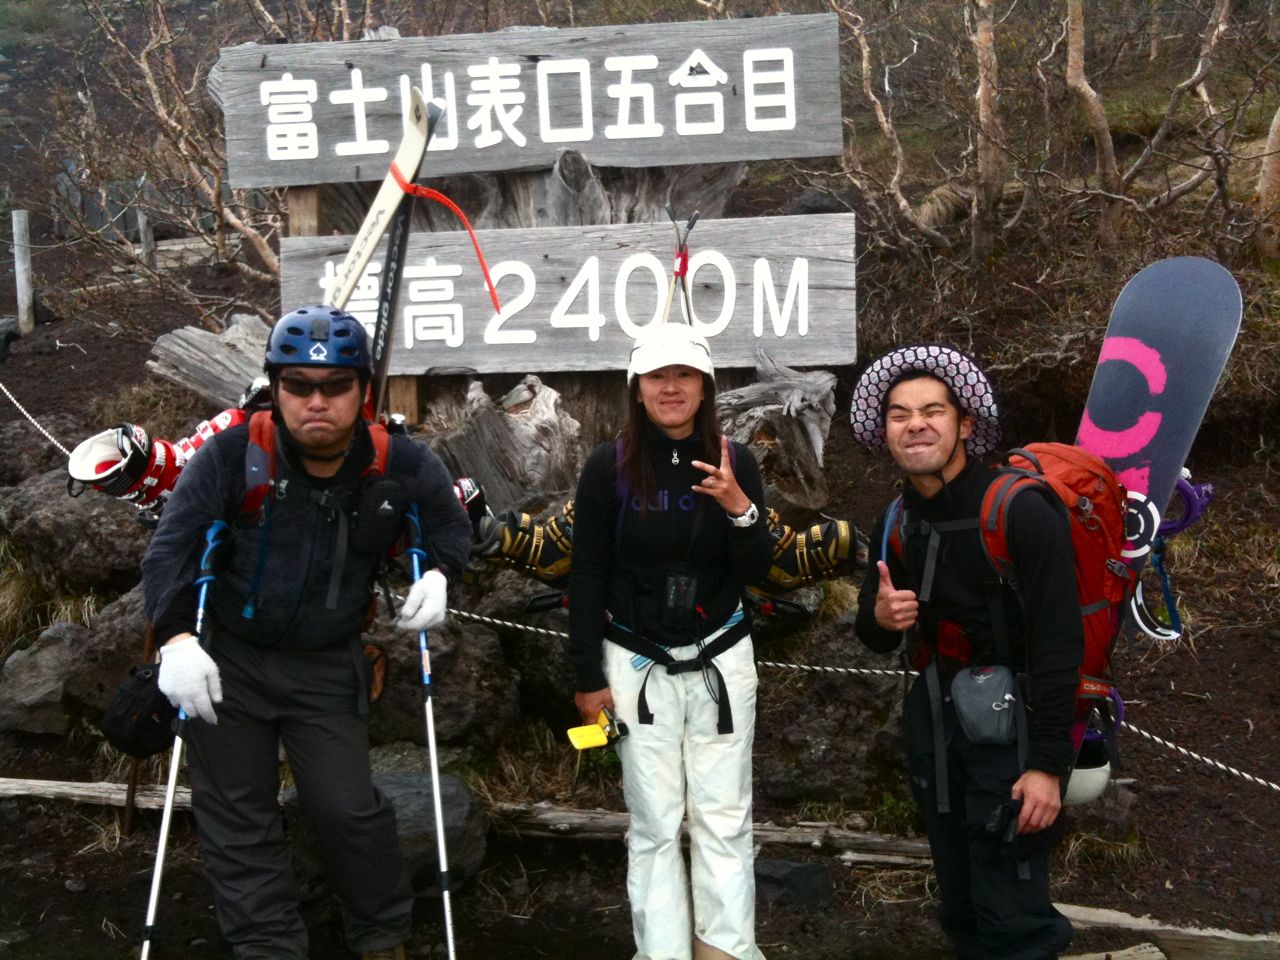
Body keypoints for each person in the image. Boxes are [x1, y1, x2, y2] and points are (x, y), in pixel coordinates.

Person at [140, 305, 472, 960]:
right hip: (227, 660)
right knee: (238, 814)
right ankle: (268, 946)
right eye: (298, 385)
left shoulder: (398, 460)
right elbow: (170, 550)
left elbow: (449, 526)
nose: (316, 401)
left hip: (327, 662)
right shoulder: (233, 454)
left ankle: (381, 934)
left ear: (363, 390)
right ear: (275, 386)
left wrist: (441, 574)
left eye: (335, 386)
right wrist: (176, 641)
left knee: (348, 809)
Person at [850, 344, 1080, 960]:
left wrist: (1048, 765)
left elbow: (1060, 642)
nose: (915, 425)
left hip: (1014, 734)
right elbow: (874, 634)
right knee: (960, 902)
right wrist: (880, 617)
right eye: (899, 414)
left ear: (966, 424)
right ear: (884, 430)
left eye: (933, 411)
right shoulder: (895, 520)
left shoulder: (1020, 510)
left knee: (1014, 912)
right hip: (936, 726)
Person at [569, 323, 773, 960]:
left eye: (684, 374)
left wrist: (739, 507)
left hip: (721, 657)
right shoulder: (607, 467)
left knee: (723, 815)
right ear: (637, 388)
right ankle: (661, 952)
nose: (671, 388)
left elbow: (758, 569)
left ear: (705, 386)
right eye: (657, 376)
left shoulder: (737, 461)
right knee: (654, 822)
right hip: (635, 659)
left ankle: (726, 951)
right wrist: (587, 678)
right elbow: (587, 573)